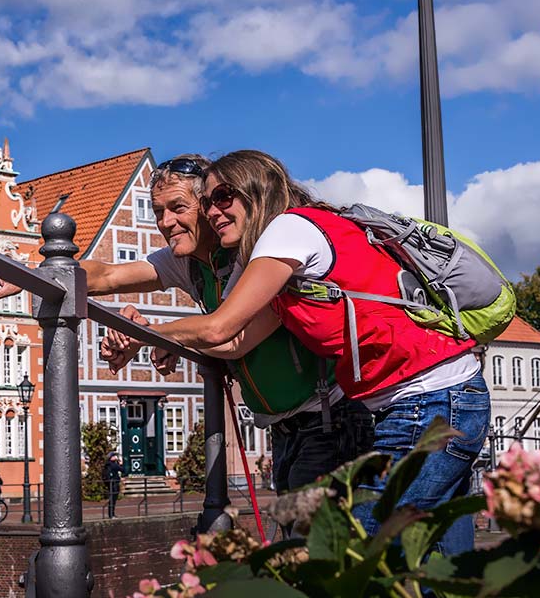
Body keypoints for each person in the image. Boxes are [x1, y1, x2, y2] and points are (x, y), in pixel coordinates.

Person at [122, 149, 487, 556]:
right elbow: (233, 341)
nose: (212, 212)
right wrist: (175, 339)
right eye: (206, 202)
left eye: (222, 197)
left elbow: (220, 325)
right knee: (439, 559)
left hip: (428, 399)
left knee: (352, 553)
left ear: (256, 193)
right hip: (426, 399)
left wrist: (148, 334)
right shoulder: (273, 257)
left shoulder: (287, 232)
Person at [0, 154, 373, 507]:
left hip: (329, 420)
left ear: (206, 207)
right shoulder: (188, 263)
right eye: (158, 211)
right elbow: (109, 274)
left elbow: (229, 336)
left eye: (178, 208)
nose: (166, 222)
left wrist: (154, 335)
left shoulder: (257, 252)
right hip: (285, 430)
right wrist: (29, 272)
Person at [102, 453, 125, 518]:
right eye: (114, 456)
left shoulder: (107, 465)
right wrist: (120, 463)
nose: (115, 456)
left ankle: (111, 514)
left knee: (111, 499)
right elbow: (123, 470)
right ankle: (112, 514)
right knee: (113, 499)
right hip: (114, 484)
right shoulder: (114, 465)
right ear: (111, 458)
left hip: (109, 483)